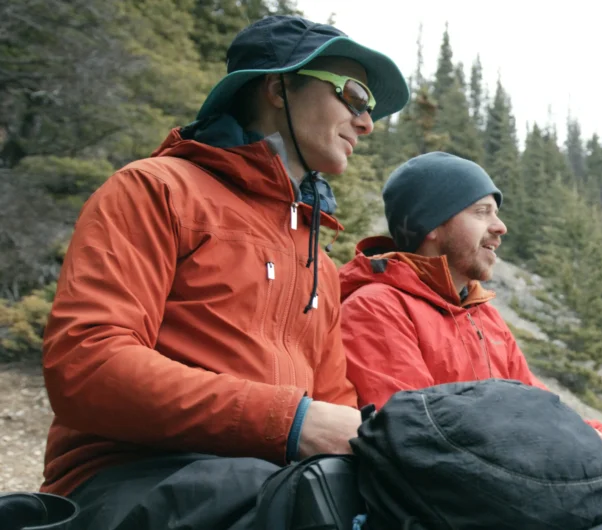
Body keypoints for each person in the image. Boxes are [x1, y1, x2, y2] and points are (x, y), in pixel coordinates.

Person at [37, 15, 409, 529]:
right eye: (353, 95)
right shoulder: (155, 190)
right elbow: (87, 365)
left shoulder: (317, 259)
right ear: (278, 86)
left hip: (276, 483)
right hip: (131, 475)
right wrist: (291, 422)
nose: (366, 122)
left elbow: (335, 403)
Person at [337, 151, 602, 521]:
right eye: (481, 212)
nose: (500, 226)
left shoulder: (481, 315)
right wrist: (562, 454)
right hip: (452, 500)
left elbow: (544, 411)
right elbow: (414, 444)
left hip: (511, 477)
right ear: (432, 225)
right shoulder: (375, 307)